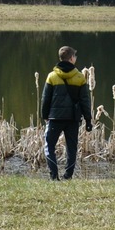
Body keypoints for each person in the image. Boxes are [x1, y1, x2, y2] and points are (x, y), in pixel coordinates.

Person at [38, 44, 94, 180]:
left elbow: (45, 99)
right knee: (72, 148)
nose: (75, 58)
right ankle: (68, 176)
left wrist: (44, 116)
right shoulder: (80, 77)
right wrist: (88, 120)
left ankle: (54, 175)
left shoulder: (51, 76)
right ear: (71, 59)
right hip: (72, 118)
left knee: (49, 146)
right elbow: (85, 101)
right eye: (74, 56)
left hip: (55, 118)